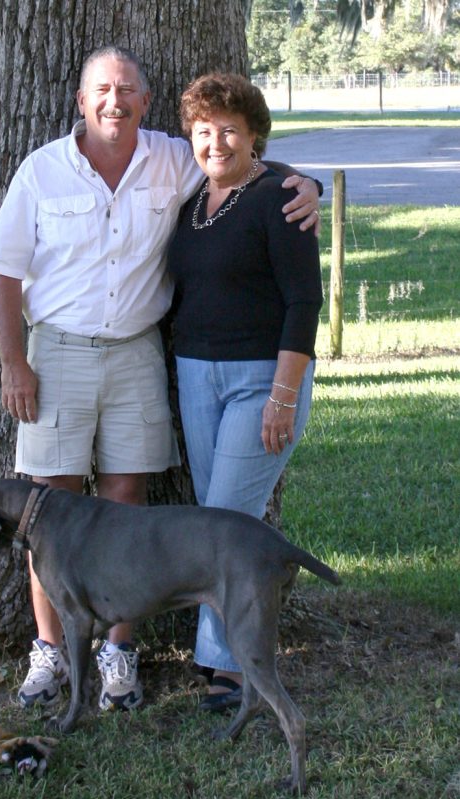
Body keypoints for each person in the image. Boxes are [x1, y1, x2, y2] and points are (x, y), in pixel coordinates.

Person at [0, 47, 321, 714]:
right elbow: (2, 272)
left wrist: (306, 182)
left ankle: (118, 654)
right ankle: (50, 653)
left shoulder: (170, 157)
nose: (115, 101)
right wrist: (13, 362)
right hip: (59, 354)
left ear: (145, 98)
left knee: (127, 500)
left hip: (137, 351)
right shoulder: (43, 170)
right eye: (102, 90)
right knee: (48, 505)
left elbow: (238, 163)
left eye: (128, 89)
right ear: (81, 101)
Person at [166, 72, 323, 711]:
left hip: (263, 379)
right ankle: (228, 654)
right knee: (215, 519)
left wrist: (284, 396)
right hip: (195, 377)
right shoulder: (188, 204)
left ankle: (231, 667)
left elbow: (304, 301)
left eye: (230, 129)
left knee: (229, 523)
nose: (216, 142)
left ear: (254, 135)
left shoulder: (281, 198)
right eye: (204, 131)